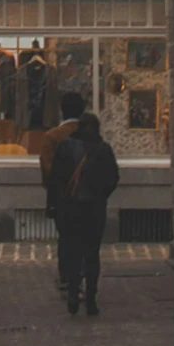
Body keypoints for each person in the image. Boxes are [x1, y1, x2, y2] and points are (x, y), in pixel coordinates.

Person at [47, 112, 120, 316]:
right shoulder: (103, 149)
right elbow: (113, 178)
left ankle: (73, 292)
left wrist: (55, 204)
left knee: (72, 251)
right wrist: (100, 195)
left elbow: (55, 179)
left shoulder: (66, 147)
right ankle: (91, 297)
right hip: (94, 209)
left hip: (71, 207)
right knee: (91, 254)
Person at [39, 89, 87, 294]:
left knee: (66, 237)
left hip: (63, 196)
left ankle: (67, 275)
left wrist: (54, 189)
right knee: (85, 237)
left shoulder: (52, 137)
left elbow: (47, 167)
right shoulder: (91, 134)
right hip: (88, 196)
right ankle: (83, 273)